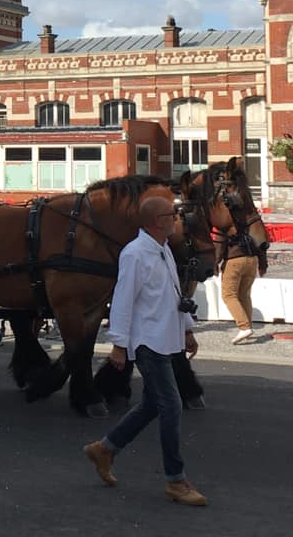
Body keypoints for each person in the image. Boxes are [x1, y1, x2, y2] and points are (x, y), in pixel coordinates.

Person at [83, 195, 208, 507]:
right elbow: (123, 299)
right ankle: (175, 480)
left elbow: (172, 293)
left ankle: (106, 449)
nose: (177, 218)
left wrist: (187, 327)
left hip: (165, 336)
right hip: (148, 341)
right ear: (157, 221)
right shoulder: (135, 253)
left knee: (153, 404)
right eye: (172, 214)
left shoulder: (161, 248)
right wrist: (118, 345)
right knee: (172, 405)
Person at [215, 226, 262, 345]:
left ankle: (244, 327)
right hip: (252, 260)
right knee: (244, 295)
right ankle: (248, 326)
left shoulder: (224, 224)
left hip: (234, 260)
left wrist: (215, 263)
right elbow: (261, 241)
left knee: (229, 295)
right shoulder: (248, 223)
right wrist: (263, 262)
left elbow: (219, 246)